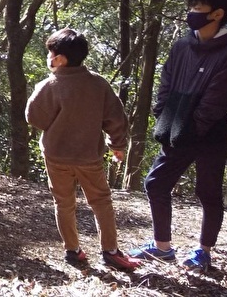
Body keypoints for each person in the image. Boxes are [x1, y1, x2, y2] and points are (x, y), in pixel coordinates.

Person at [129, 0, 227, 272]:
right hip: (177, 129)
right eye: (190, 9)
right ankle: (162, 247)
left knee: (208, 192)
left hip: (211, 135)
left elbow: (219, 98)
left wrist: (193, 127)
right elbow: (166, 81)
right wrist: (163, 116)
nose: (191, 14)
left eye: (198, 10)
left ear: (217, 14)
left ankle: (204, 252)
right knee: (155, 183)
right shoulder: (182, 45)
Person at [25, 28, 141, 270]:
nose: (49, 58)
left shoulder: (49, 85)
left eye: (50, 53)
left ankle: (72, 250)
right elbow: (116, 117)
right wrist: (117, 145)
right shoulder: (98, 84)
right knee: (101, 201)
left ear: (59, 59)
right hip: (89, 156)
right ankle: (110, 251)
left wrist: (55, 124)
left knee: (63, 202)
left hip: (56, 155)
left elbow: (33, 117)